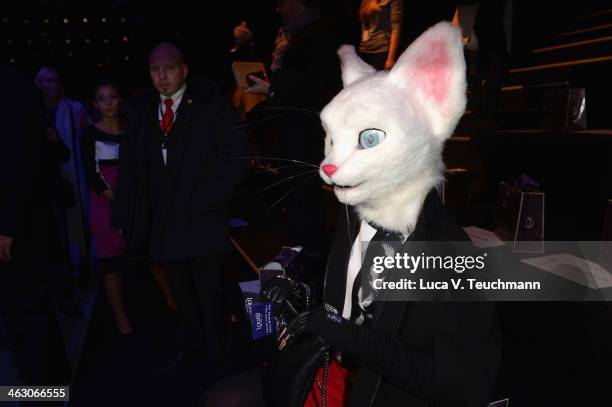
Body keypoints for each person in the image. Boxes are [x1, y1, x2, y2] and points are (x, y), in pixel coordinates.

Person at [113, 43, 249, 373]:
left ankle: (220, 357)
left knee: (210, 294)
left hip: (202, 222)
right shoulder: (143, 111)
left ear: (184, 70)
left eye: (169, 69)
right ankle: (190, 349)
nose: (162, 77)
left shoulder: (209, 103)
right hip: (166, 224)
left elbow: (235, 155)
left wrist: (207, 200)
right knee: (181, 296)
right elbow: (132, 166)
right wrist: (125, 213)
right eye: (155, 71)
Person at [242, 0, 342, 272]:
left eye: (283, 3)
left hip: (305, 128)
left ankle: (311, 251)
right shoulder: (304, 35)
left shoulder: (317, 36)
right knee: (296, 192)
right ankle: (304, 249)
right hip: (295, 126)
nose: (279, 8)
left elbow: (311, 85)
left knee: (303, 193)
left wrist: (272, 90)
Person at [0, 64, 72, 385]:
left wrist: (7, 226)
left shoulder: (11, 85)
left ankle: (40, 391)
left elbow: (19, 161)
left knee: (24, 309)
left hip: (16, 221)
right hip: (21, 217)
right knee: (28, 306)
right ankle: (52, 379)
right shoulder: (16, 82)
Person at [81, 80, 134, 335]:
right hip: (105, 205)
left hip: (132, 201)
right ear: (96, 104)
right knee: (111, 262)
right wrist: (118, 199)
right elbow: (92, 175)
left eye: (112, 96)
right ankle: (120, 316)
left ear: (120, 99)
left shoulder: (130, 131)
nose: (108, 102)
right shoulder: (90, 134)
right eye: (102, 98)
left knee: (135, 256)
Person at [35, 66, 92, 289]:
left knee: (78, 222)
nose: (53, 85)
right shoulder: (31, 111)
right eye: (48, 81)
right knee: (55, 231)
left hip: (72, 175)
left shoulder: (73, 109)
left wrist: (85, 128)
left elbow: (89, 141)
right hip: (45, 181)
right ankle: (64, 278)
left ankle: (83, 268)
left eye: (56, 80)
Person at [358, 0, 404, 70]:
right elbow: (365, 25)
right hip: (364, 51)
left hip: (382, 51)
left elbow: (396, 28)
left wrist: (391, 58)